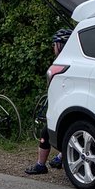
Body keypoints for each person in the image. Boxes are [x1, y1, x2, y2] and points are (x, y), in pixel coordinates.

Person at [25, 28, 73, 175]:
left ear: (61, 45)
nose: (53, 47)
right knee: (70, 132)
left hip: (62, 106)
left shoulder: (61, 63)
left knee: (46, 132)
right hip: (75, 106)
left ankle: (40, 165)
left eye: (54, 44)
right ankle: (60, 158)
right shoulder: (76, 60)